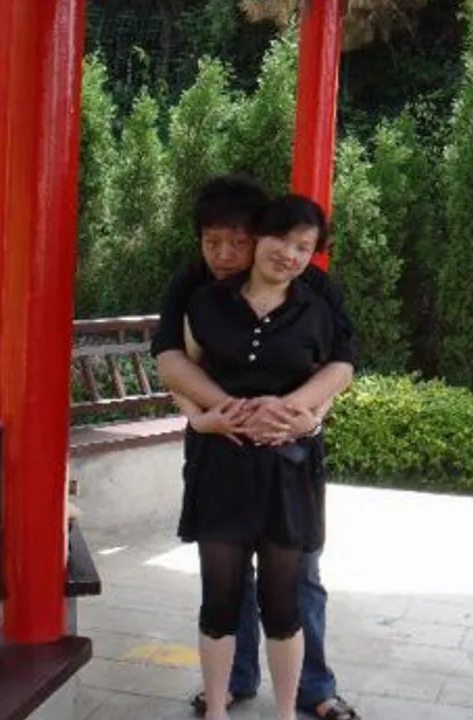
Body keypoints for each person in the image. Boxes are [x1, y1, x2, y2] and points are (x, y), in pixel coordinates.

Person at [150, 176, 360, 720]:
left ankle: (314, 690)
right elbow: (170, 358)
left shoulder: (311, 288)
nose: (224, 255)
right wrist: (210, 414)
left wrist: (304, 415)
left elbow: (341, 362)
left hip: (290, 459)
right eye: (212, 241)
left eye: (237, 242)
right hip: (220, 451)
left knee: (297, 579)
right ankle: (233, 684)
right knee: (225, 578)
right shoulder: (195, 290)